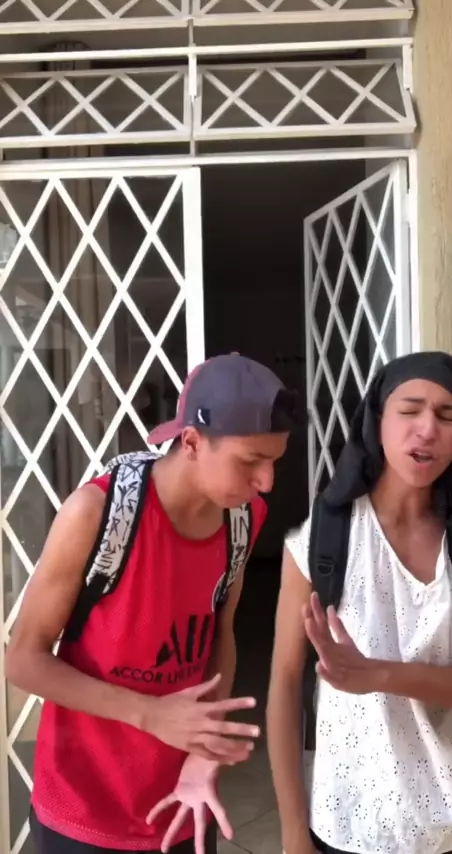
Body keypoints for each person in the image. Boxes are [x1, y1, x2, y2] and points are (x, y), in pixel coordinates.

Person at [6, 353, 301, 854]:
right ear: (192, 442)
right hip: (81, 811)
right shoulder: (98, 514)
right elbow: (23, 660)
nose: (267, 481)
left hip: (179, 806)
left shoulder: (243, 519)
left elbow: (219, 634)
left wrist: (203, 749)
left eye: (274, 460)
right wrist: (151, 714)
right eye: (250, 460)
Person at [267, 351, 452, 854]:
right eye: (409, 410)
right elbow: (284, 683)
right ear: (377, 420)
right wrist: (293, 831)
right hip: (348, 824)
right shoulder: (323, 540)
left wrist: (379, 675)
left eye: (447, 415)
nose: (427, 429)